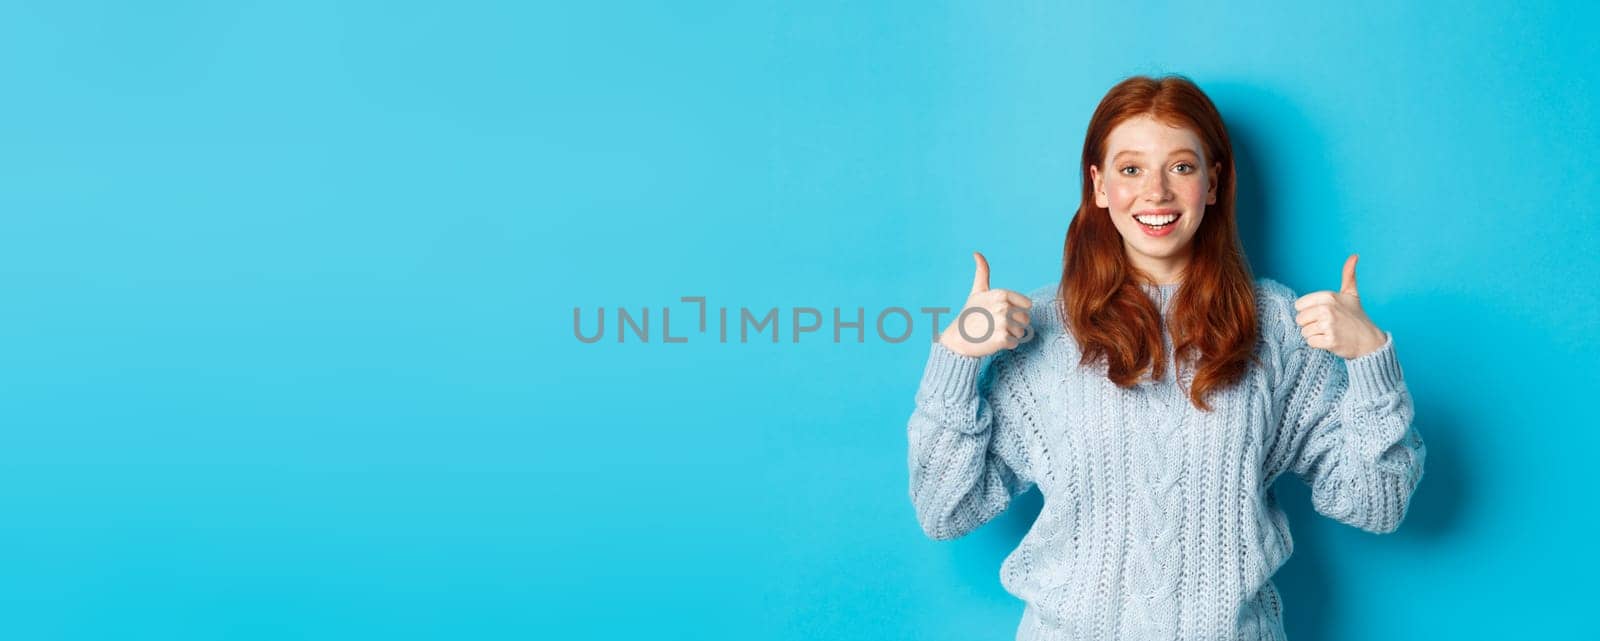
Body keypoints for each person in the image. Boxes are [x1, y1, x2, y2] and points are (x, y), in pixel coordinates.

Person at [905, 74, 1426, 641]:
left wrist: (1371, 362)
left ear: (1212, 183)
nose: (1156, 192)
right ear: (1099, 185)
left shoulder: (1275, 327)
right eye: (1131, 169)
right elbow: (944, 511)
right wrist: (954, 358)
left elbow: (1377, 505)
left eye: (1180, 166)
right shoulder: (1043, 329)